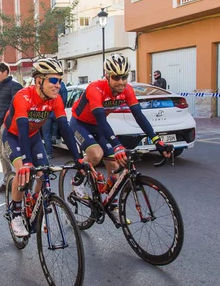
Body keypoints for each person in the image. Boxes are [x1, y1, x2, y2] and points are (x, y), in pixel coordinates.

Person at [69, 53, 172, 222]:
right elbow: (101, 118)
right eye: (116, 77)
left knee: (114, 166)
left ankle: (112, 205)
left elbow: (139, 116)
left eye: (124, 77)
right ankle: (77, 181)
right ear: (107, 76)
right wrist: (117, 145)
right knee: (96, 154)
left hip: (99, 126)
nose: (121, 82)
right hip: (80, 124)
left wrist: (156, 140)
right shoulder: (95, 88)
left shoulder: (127, 90)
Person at [2, 58, 88, 237]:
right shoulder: (23, 96)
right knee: (23, 173)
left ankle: (34, 200)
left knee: (43, 173)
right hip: (14, 137)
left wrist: (78, 157)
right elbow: (23, 129)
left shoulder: (55, 100)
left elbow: (64, 128)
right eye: (53, 80)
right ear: (39, 81)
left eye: (60, 80)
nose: (58, 85)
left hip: (33, 138)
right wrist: (25, 162)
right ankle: (16, 213)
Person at [0, 62, 22, 194]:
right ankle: (8, 180)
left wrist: (8, 122)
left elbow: (19, 107)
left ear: (5, 72)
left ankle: (22, 175)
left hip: (8, 125)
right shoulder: (0, 86)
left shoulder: (15, 86)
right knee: (1, 155)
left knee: (6, 153)